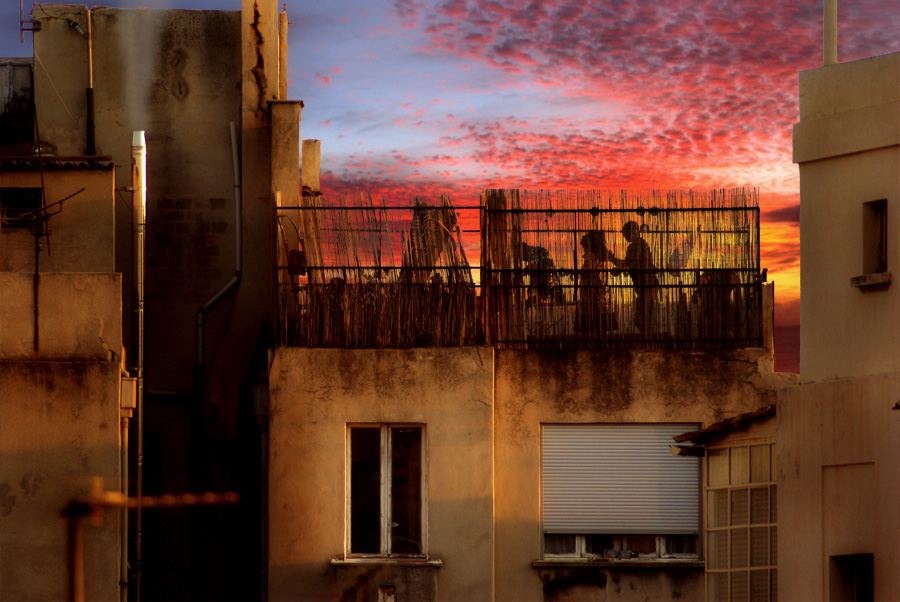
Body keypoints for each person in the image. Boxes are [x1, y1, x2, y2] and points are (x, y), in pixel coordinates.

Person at [609, 221, 658, 334]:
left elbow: (629, 263)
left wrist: (612, 259)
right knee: (643, 317)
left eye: (625, 233)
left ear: (633, 232)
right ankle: (647, 340)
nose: (624, 236)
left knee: (644, 317)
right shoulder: (639, 245)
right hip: (645, 285)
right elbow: (630, 265)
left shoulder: (637, 245)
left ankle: (647, 342)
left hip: (647, 285)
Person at [576, 230, 611, 338]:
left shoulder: (594, 261)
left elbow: (589, 270)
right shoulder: (599, 261)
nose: (584, 255)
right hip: (591, 295)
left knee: (593, 321)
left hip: (591, 295)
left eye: (585, 251)